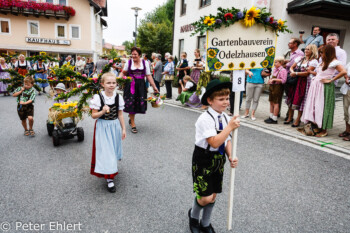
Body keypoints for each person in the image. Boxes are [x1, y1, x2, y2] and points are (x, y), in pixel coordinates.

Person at [188, 79, 239, 233]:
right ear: (210, 101)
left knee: (214, 194)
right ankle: (193, 216)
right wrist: (229, 127)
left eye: (227, 98)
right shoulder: (204, 119)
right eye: (221, 99)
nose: (225, 102)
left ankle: (205, 223)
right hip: (203, 158)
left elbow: (227, 140)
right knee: (205, 197)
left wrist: (231, 155)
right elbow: (215, 142)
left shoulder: (224, 117)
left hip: (219, 160)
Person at [89, 72, 126, 193]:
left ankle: (109, 170)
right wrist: (103, 111)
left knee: (113, 150)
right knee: (107, 151)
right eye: (108, 83)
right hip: (103, 127)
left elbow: (120, 114)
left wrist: (123, 128)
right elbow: (94, 115)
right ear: (102, 84)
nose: (111, 85)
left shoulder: (118, 97)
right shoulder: (98, 97)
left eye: (113, 83)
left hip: (114, 126)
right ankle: (110, 179)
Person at [301, 45, 346, 137]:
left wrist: (331, 80)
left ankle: (324, 129)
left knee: (322, 106)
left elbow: (343, 71)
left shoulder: (334, 62)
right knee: (314, 105)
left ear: (328, 52)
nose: (320, 54)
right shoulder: (322, 62)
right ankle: (316, 126)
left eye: (322, 52)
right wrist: (310, 71)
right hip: (316, 85)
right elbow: (319, 73)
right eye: (320, 52)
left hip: (324, 87)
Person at [118, 47, 159, 134]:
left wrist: (154, 87)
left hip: (141, 86)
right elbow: (123, 72)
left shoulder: (145, 63)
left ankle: (131, 117)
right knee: (131, 103)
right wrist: (117, 80)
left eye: (135, 54)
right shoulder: (129, 63)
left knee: (137, 104)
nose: (133, 56)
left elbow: (148, 75)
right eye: (132, 54)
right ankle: (133, 124)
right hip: (130, 86)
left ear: (139, 55)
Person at [287, 44, 319, 127]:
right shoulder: (300, 58)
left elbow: (307, 73)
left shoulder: (314, 61)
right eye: (305, 49)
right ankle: (290, 117)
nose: (306, 51)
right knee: (292, 98)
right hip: (296, 81)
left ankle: (298, 119)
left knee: (301, 100)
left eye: (308, 49)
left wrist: (296, 73)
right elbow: (292, 67)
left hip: (305, 82)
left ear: (313, 50)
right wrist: (292, 71)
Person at [284, 38, 304, 124]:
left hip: (295, 78)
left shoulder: (299, 53)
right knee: (289, 97)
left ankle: (292, 118)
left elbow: (292, 65)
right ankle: (289, 115)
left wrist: (285, 63)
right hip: (288, 76)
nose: (288, 44)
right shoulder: (290, 53)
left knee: (293, 97)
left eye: (290, 43)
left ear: (295, 44)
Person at [265, 57, 288, 124]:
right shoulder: (275, 69)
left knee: (276, 103)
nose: (274, 63)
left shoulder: (283, 70)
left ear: (281, 63)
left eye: (276, 62)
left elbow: (283, 80)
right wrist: (270, 80)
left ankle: (274, 118)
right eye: (274, 62)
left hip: (278, 87)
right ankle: (271, 116)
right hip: (272, 87)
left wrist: (274, 80)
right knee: (271, 102)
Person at [339, 62, 350, 141]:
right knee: (346, 111)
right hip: (347, 89)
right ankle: (347, 130)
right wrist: (346, 78)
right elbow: (344, 71)